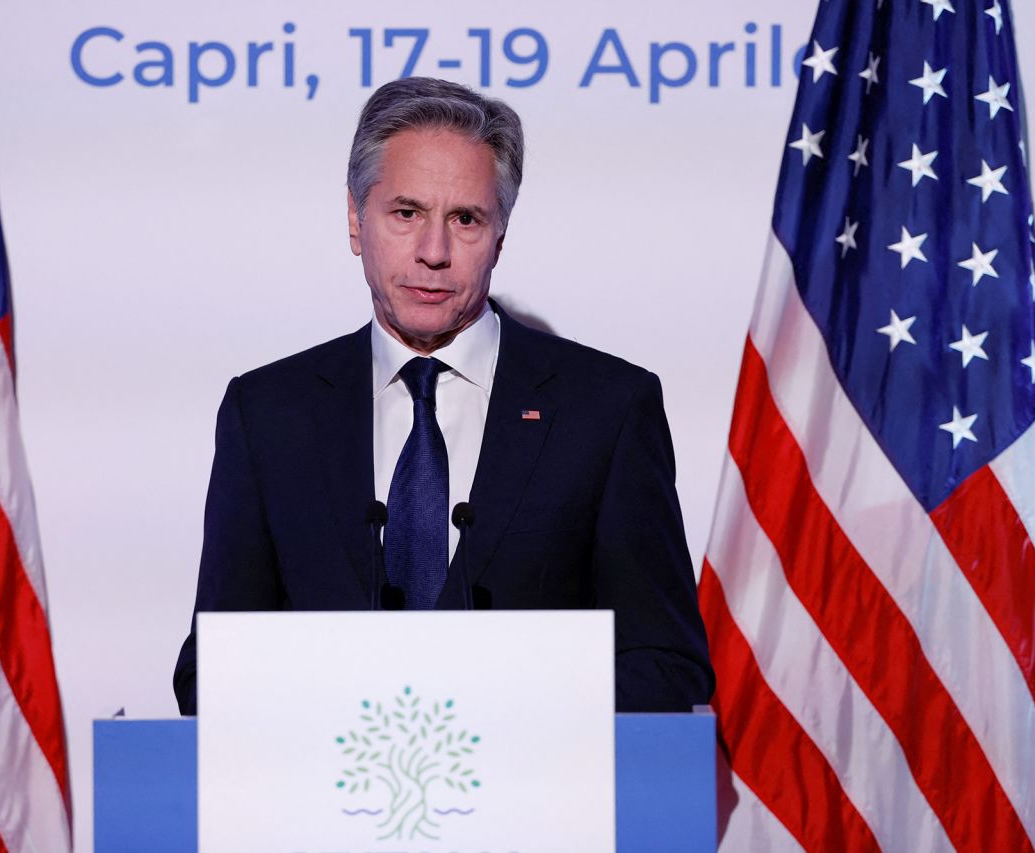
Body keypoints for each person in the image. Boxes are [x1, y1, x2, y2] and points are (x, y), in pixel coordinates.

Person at [174, 77, 713, 714]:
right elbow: (211, 670)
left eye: (466, 219)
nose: (434, 253)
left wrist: (505, 706)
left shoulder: (608, 408)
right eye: (406, 214)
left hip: (536, 801)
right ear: (355, 220)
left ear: (501, 234)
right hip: (326, 800)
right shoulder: (267, 413)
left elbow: (666, 664)